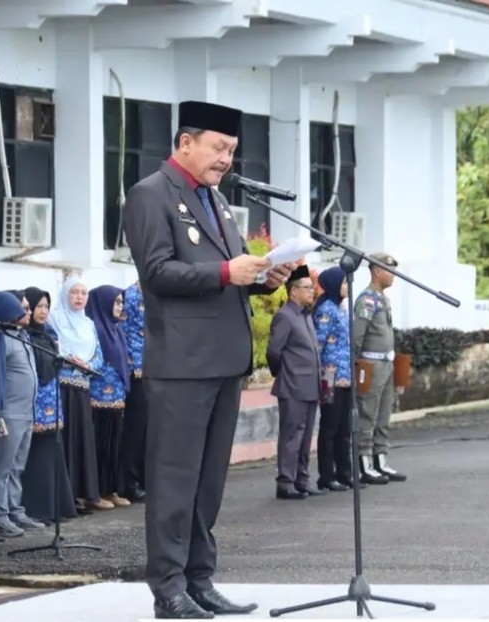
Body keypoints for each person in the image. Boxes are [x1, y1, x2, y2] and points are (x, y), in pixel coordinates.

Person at [122, 99, 292, 619]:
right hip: (181, 363)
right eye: (219, 148)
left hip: (223, 361)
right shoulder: (151, 194)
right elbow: (156, 273)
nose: (226, 160)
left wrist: (264, 279)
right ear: (185, 142)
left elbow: (229, 274)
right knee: (175, 479)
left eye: (233, 151)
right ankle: (168, 588)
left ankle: (200, 578)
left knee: (208, 482)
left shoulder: (215, 201)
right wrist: (226, 273)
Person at [0, 291, 44, 537]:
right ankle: (0, 515)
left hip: (27, 412)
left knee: (17, 466)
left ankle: (15, 509)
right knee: (1, 468)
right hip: (9, 413)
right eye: (21, 308)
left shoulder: (22, 335)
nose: (27, 312)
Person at [50, 276, 111, 512]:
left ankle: (87, 493)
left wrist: (85, 364)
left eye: (83, 293)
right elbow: (53, 348)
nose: (79, 297)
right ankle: (69, 496)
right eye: (74, 292)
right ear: (65, 294)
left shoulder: (89, 323)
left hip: (83, 387)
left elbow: (98, 355)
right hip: (63, 387)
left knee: (83, 440)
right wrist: (71, 361)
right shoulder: (55, 318)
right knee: (67, 440)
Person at [20, 287, 78, 525]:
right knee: (36, 456)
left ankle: (57, 507)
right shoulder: (25, 335)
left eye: (46, 306)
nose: (43, 312)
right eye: (38, 306)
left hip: (53, 401)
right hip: (35, 403)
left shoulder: (48, 334)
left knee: (53, 452)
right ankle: (36, 509)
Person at [267, 264, 324, 500]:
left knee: (306, 435)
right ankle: (286, 481)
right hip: (292, 385)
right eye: (307, 288)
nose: (312, 292)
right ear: (293, 291)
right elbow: (273, 352)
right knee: (291, 435)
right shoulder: (285, 317)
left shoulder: (305, 316)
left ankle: (302, 478)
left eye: (312, 288)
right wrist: (284, 373)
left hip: (310, 386)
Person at [351, 253, 402, 486]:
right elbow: (357, 337)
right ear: (376, 271)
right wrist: (353, 368)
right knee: (367, 415)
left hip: (386, 364)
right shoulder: (367, 300)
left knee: (383, 415)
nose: (392, 275)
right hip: (370, 365)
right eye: (389, 270)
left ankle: (380, 459)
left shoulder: (383, 299)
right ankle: (365, 464)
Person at [86, 284, 132, 508]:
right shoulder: (95, 328)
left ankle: (111, 489)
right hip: (97, 399)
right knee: (99, 445)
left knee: (114, 445)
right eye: (116, 302)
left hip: (116, 398)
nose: (120, 306)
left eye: (121, 302)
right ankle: (96, 492)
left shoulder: (116, 328)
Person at [312, 266, 353, 492]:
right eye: (344, 283)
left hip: (345, 377)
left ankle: (344, 472)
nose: (347, 287)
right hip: (330, 376)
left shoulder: (341, 309)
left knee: (344, 429)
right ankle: (326, 475)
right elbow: (318, 343)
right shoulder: (326, 310)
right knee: (329, 428)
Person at [119, 280, 147, 502]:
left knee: (154, 430)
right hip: (136, 369)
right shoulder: (130, 295)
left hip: (160, 365)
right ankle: (131, 481)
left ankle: (149, 479)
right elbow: (124, 330)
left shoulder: (160, 289)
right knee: (136, 429)